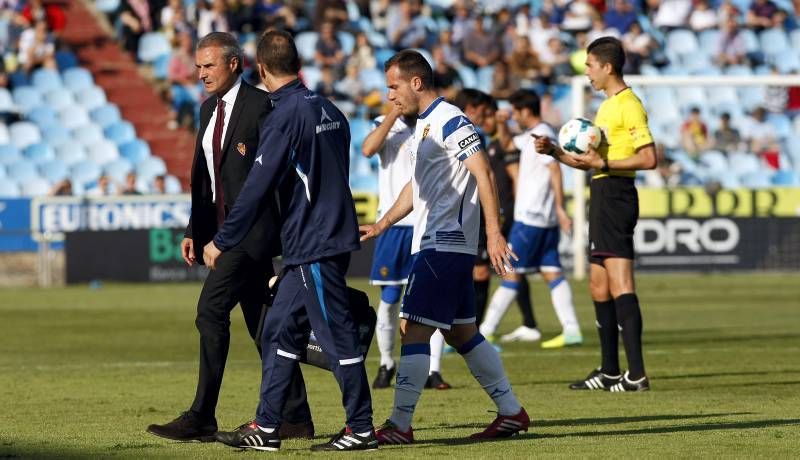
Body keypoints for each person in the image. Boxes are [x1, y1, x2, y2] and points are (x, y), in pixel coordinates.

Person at [210, 30, 376, 452]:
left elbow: (257, 187)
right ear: (298, 64)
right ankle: (267, 428)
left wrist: (223, 240)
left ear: (260, 68)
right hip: (320, 238)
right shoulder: (330, 108)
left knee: (337, 336)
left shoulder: (284, 115)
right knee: (278, 332)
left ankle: (361, 428)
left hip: (315, 243)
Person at [146, 32, 313, 443]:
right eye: (198, 66)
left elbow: (268, 178)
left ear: (234, 64)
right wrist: (194, 229)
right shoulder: (206, 110)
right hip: (220, 232)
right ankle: (295, 417)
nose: (201, 74)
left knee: (209, 311)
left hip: (252, 235)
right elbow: (206, 181)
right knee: (262, 326)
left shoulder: (262, 106)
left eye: (209, 66)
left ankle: (202, 415)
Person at [360, 50, 529, 444]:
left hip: (444, 243)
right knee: (460, 332)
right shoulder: (424, 126)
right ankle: (510, 412)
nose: (389, 95)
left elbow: (483, 171)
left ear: (416, 82)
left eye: (393, 86)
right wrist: (384, 223)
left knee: (413, 330)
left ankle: (400, 425)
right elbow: (418, 185)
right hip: (436, 242)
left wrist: (493, 232)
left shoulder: (450, 119)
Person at [534, 37, 656, 392]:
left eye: (589, 66)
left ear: (607, 67)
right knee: (598, 286)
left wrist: (606, 163)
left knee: (621, 285)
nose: (586, 73)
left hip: (617, 196)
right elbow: (590, 163)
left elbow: (649, 158)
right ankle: (610, 371)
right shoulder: (606, 107)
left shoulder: (628, 105)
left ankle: (636, 374)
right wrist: (554, 152)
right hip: (602, 193)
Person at [479, 89, 583, 350]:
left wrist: (560, 208)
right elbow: (506, 146)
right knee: (552, 272)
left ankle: (485, 333)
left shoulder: (542, 135)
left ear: (526, 111)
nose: (514, 117)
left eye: (515, 112)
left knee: (509, 273)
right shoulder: (529, 136)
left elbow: (555, 169)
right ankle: (571, 329)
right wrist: (502, 125)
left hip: (531, 217)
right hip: (543, 220)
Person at [362, 104, 452, 391]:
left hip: (427, 222)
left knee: (433, 299)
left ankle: (433, 370)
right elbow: (367, 149)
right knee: (389, 300)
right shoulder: (387, 124)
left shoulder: (434, 124)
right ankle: (386, 363)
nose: (393, 95)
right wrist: (392, 114)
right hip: (393, 226)